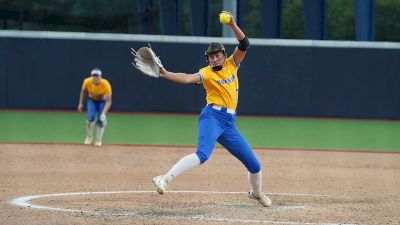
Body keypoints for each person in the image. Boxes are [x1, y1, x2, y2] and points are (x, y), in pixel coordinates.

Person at [152, 11, 272, 207]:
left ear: (224, 55)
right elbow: (187, 78)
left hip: (229, 124)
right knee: (203, 155)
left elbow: (245, 44)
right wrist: (165, 74)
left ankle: (256, 194)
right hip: (212, 117)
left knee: (254, 165)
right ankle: (164, 178)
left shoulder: (233, 64)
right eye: (210, 57)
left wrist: (232, 23)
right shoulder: (206, 73)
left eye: (217, 55)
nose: (214, 59)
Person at [78, 67, 112, 147]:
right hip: (92, 101)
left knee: (101, 119)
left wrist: (103, 113)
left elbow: (109, 101)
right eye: (94, 76)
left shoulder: (105, 84)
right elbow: (83, 92)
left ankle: (98, 140)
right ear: (91, 76)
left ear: (100, 77)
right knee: (90, 118)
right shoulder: (87, 81)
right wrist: (80, 103)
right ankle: (89, 137)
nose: (95, 78)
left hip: (102, 102)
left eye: (97, 76)